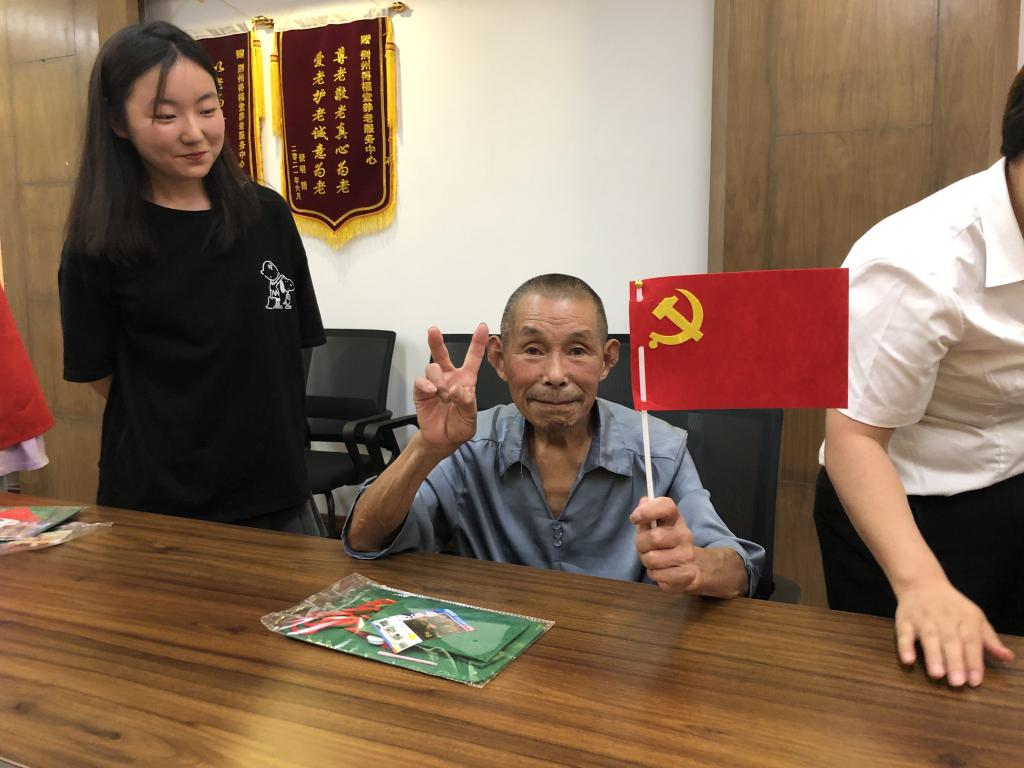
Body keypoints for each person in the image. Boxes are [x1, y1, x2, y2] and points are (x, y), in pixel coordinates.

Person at [58, 22, 326, 533]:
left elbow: (294, 342)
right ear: (117, 120)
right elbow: (100, 374)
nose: (195, 132)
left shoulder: (266, 215)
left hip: (278, 492)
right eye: (166, 115)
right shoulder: (97, 242)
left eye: (207, 109)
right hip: (159, 504)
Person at [345, 274, 764, 597]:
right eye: (533, 350)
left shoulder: (660, 449)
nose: (556, 374)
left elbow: (739, 570)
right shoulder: (467, 443)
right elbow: (364, 539)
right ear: (499, 359)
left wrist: (694, 566)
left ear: (607, 360)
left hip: (622, 656)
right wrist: (426, 448)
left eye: (578, 351)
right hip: (494, 648)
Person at [814, 68, 1024, 687]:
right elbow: (854, 439)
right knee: (916, 705)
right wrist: (922, 583)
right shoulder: (917, 261)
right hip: (910, 510)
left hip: (1010, 484)